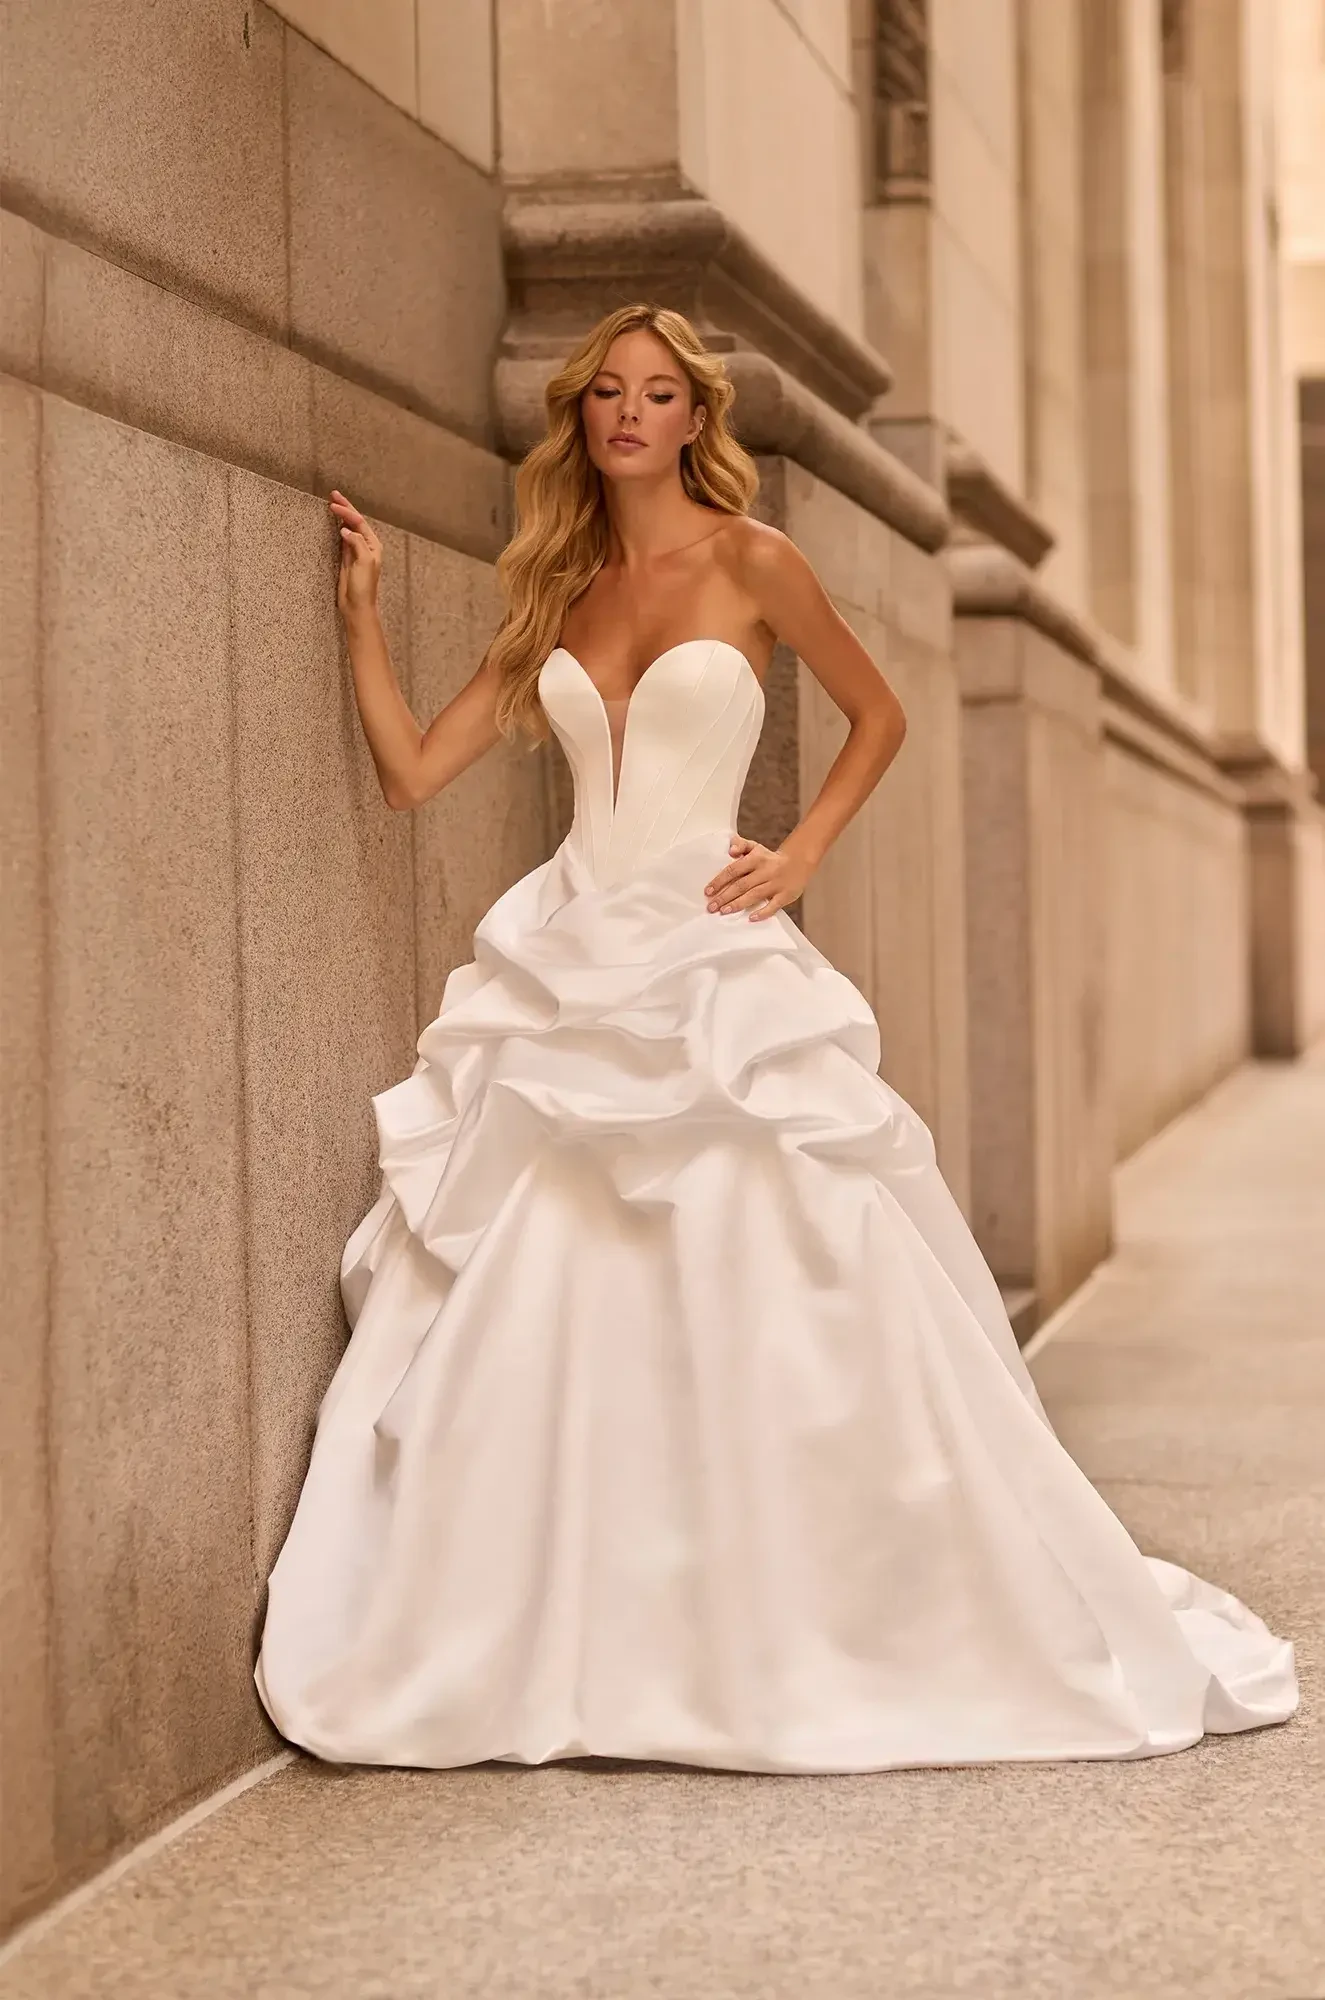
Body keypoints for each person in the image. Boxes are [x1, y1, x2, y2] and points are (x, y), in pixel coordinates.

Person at [255, 303, 1298, 1773]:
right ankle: (577, 1613)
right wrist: (360, 615)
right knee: (555, 1272)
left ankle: (793, 1604)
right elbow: (418, 772)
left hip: (705, 953)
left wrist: (798, 855)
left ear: (697, 418)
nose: (629, 412)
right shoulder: (557, 587)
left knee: (765, 1257)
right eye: (608, 392)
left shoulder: (755, 562)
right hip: (566, 962)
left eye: (660, 392)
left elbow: (877, 715)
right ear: (584, 416)